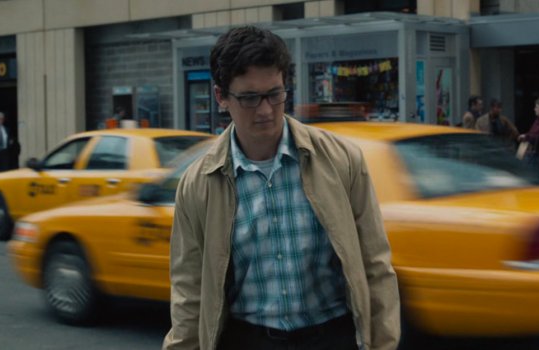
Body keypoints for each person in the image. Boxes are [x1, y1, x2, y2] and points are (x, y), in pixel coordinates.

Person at [163, 26, 400, 350]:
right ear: (221, 97)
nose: (265, 110)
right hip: (249, 338)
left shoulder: (341, 161)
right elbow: (189, 294)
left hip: (332, 336)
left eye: (275, 94)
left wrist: (383, 343)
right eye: (249, 98)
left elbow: (376, 265)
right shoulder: (198, 186)